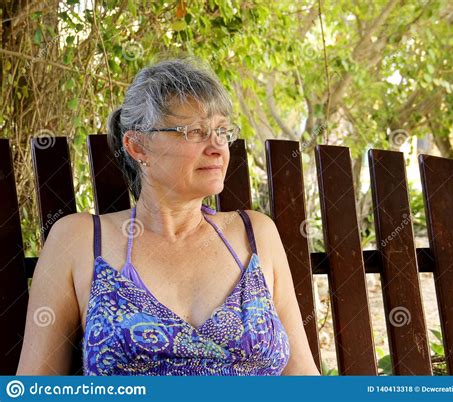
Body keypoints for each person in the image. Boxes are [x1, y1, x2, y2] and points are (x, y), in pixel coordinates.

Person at [16, 57, 320, 375]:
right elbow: (34, 387)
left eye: (222, 132)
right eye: (194, 132)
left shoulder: (254, 233)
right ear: (137, 147)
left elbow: (303, 379)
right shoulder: (78, 240)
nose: (218, 147)